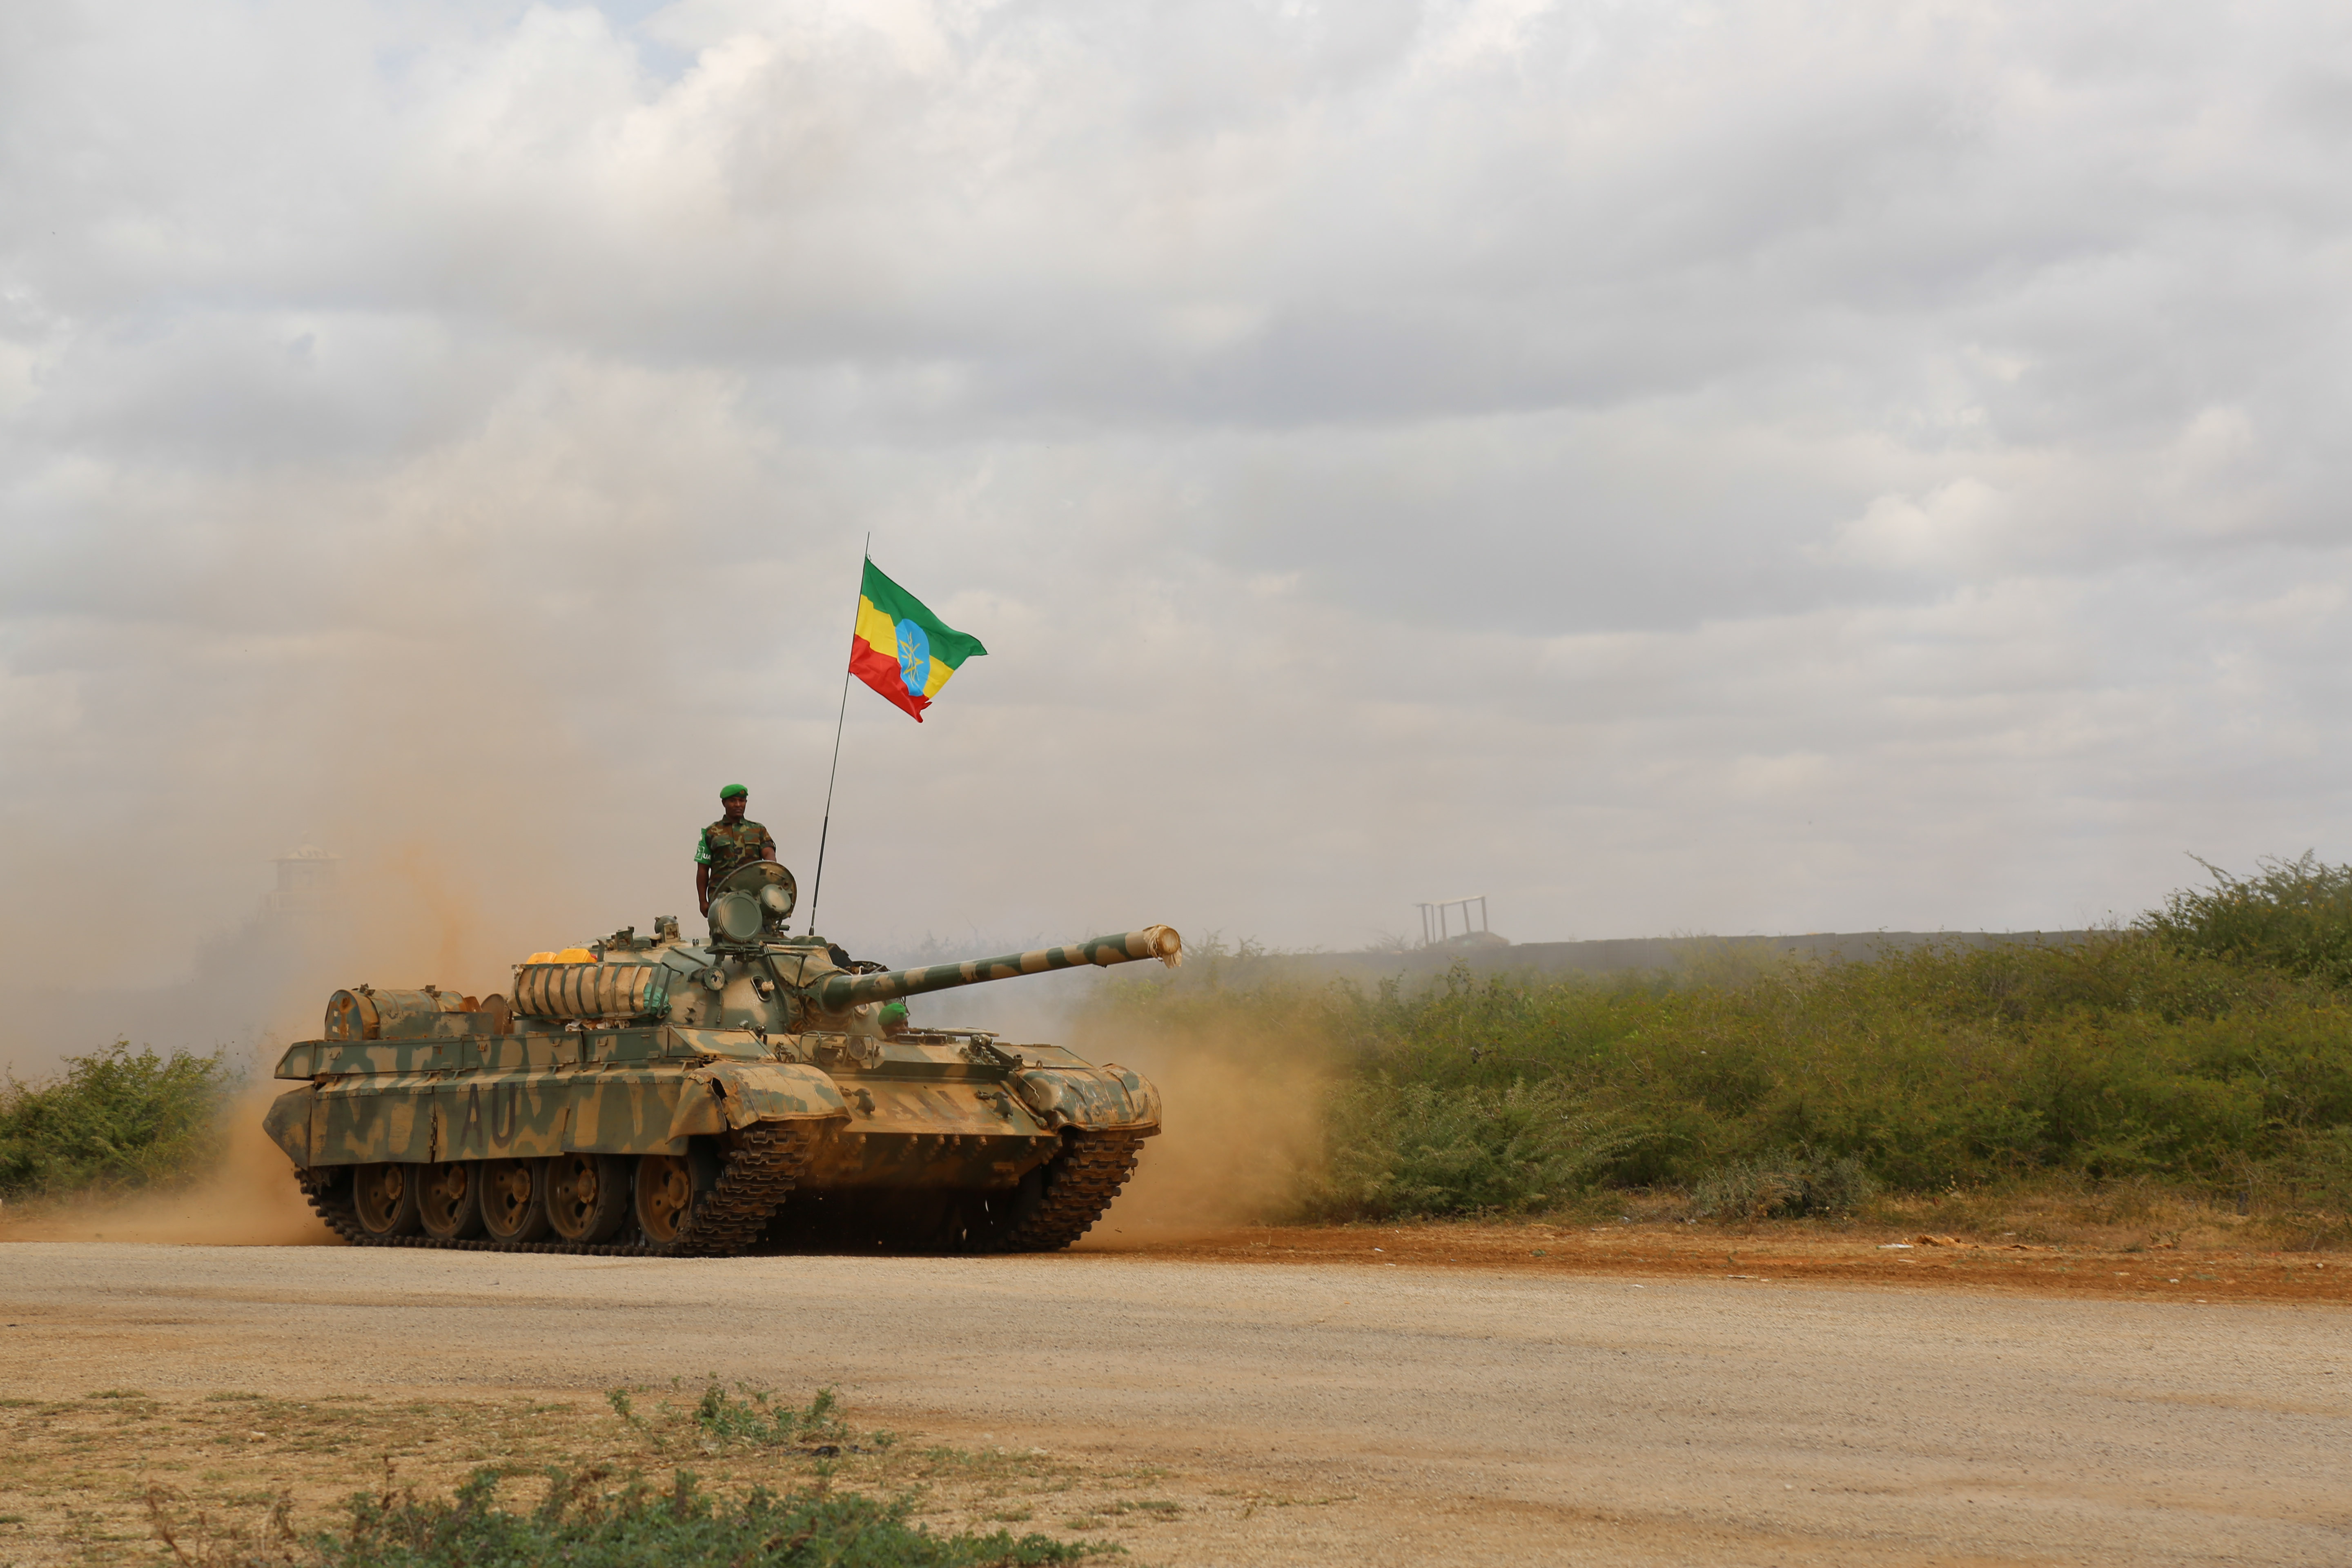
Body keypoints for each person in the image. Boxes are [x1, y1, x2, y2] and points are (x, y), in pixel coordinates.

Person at [695, 784, 777, 918]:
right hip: (721, 897)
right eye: (733, 801)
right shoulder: (710, 832)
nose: (738, 805)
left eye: (742, 801)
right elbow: (703, 869)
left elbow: (769, 854)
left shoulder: (758, 830)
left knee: (758, 934)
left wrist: (771, 866)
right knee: (723, 936)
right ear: (724, 803)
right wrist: (703, 901)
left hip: (754, 896)